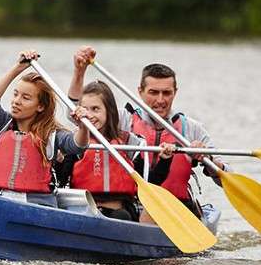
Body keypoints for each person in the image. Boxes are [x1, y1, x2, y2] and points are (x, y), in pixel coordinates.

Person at [68, 46, 224, 221]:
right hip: (137, 207)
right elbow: (76, 115)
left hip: (178, 207)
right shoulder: (120, 119)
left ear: (175, 93)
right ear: (140, 91)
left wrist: (208, 159)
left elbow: (223, 178)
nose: (160, 100)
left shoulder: (192, 128)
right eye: (153, 92)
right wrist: (79, 72)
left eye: (166, 93)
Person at [0, 50, 88, 207]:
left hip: (37, 206)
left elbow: (77, 145)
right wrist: (17, 68)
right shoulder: (1, 125)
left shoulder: (52, 134)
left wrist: (82, 126)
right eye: (15, 94)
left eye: (25, 98)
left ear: (40, 106)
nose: (16, 101)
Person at [62, 80, 175, 221]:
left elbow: (150, 182)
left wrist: (165, 160)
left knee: (121, 216)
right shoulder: (75, 143)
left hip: (119, 212)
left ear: (109, 111)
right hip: (84, 211)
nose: (89, 115)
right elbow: (61, 179)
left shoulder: (130, 143)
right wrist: (58, 158)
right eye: (85, 109)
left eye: (95, 109)